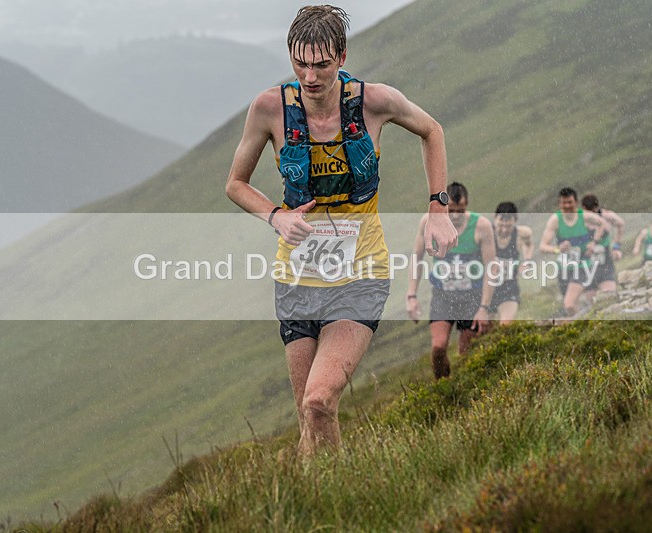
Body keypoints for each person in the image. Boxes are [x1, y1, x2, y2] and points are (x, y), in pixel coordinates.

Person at [225, 5, 457, 454]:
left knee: (319, 400)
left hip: (360, 272)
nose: (310, 77)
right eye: (301, 63)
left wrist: (438, 207)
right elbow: (235, 183)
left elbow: (432, 131)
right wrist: (276, 216)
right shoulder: (271, 108)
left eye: (322, 64)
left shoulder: (374, 101)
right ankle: (314, 506)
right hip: (296, 279)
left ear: (342, 56)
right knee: (308, 422)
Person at [406, 182, 495, 379]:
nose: (455, 216)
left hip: (472, 297)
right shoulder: (428, 222)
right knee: (438, 348)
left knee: (466, 355)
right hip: (443, 296)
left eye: (460, 210)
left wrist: (484, 307)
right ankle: (443, 389)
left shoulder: (482, 226)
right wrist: (411, 295)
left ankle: (466, 394)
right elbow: (416, 258)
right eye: (451, 211)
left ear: (467, 204)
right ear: (444, 206)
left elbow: (491, 268)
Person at [539, 188, 609, 317]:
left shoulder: (584, 216)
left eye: (569, 202)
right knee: (572, 306)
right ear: (559, 204)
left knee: (569, 304)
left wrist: (594, 242)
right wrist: (557, 249)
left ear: (576, 202)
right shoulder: (555, 220)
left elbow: (602, 224)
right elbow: (543, 246)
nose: (567, 206)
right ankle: (585, 325)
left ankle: (588, 323)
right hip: (565, 268)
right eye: (563, 203)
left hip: (583, 266)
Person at [488, 202, 533, 325]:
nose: (503, 230)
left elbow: (529, 244)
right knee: (484, 329)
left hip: (509, 288)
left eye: (508, 226)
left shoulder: (522, 233)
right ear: (494, 217)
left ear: (515, 221)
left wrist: (527, 261)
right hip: (487, 288)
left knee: (505, 326)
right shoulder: (486, 233)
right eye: (500, 225)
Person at [581, 193, 625, 298]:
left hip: (604, 258)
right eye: (589, 212)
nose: (592, 215)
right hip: (587, 262)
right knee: (591, 297)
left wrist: (616, 246)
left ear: (597, 207)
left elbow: (621, 224)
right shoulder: (580, 219)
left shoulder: (607, 216)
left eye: (594, 211)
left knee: (609, 295)